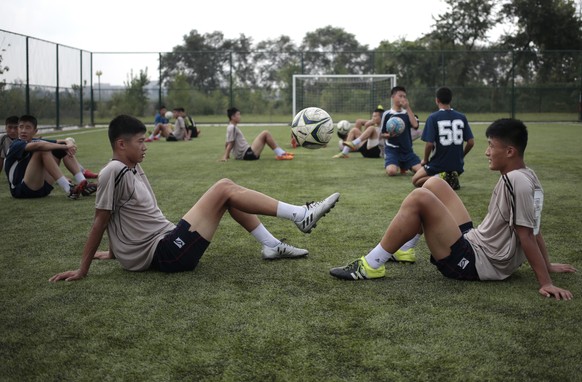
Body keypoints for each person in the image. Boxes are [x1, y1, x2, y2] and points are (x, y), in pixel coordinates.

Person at [49, 115, 340, 282]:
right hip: (166, 253)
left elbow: (119, 215)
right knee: (224, 187)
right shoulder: (114, 170)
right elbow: (101, 219)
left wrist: (114, 253)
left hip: (168, 242)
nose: (145, 146)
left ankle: (272, 246)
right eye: (140, 141)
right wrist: (83, 269)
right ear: (121, 144)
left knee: (226, 193)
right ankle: (301, 215)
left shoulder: (131, 167)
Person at [330, 119, 576, 300]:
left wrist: (545, 281)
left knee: (419, 198)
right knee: (435, 182)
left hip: (477, 263)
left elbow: (526, 233)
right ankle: (404, 249)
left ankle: (371, 264)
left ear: (509, 151)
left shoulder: (515, 182)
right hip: (477, 244)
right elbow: (535, 226)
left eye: (491, 146)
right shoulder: (527, 175)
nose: (487, 152)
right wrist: (548, 264)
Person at [4, 115, 97, 199]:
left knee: (59, 149)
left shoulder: (34, 140)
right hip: (21, 190)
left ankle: (83, 183)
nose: (23, 130)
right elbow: (39, 146)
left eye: (28, 127)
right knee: (42, 149)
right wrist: (65, 146)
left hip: (42, 187)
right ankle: (69, 188)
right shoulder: (16, 144)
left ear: (35, 131)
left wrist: (68, 144)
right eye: (21, 127)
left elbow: (62, 141)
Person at [411, 87, 475, 190]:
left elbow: (429, 144)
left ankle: (444, 179)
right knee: (419, 180)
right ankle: (449, 178)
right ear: (451, 100)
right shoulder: (461, 117)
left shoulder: (433, 117)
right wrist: (461, 156)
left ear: (437, 100)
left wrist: (425, 160)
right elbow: (471, 142)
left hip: (439, 164)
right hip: (457, 165)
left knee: (416, 181)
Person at [221, 107, 294, 161]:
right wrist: (225, 156)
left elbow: (227, 142)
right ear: (233, 117)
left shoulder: (230, 127)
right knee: (265, 133)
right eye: (238, 115)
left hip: (246, 153)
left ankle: (282, 153)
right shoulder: (232, 128)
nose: (240, 117)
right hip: (247, 154)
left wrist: (227, 156)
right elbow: (230, 143)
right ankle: (281, 154)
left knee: (265, 134)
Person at [381, 86, 422, 176]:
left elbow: (415, 126)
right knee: (391, 172)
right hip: (392, 150)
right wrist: (389, 135)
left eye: (404, 96)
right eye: (400, 96)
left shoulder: (408, 113)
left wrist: (407, 108)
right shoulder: (387, 114)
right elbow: (382, 134)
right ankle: (395, 164)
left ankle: (405, 165)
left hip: (407, 151)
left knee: (421, 171)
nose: (403, 98)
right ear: (393, 97)